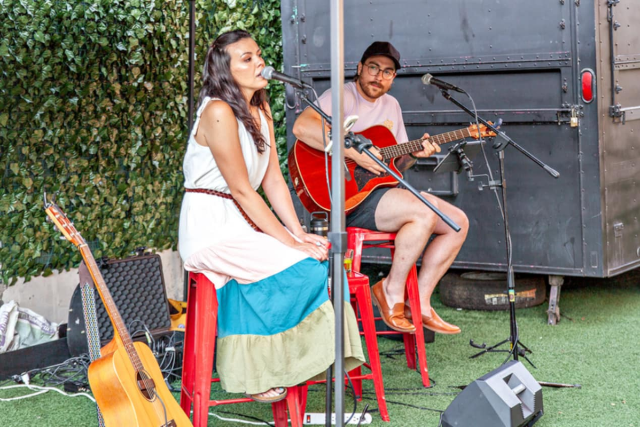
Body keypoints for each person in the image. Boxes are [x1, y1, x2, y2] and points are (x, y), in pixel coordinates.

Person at [178, 30, 364, 403]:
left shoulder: (261, 111)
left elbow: (273, 179)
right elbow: (243, 190)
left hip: (240, 225)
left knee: (321, 258)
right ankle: (264, 368)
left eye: (258, 54)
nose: (259, 62)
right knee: (306, 267)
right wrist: (290, 242)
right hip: (210, 229)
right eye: (246, 58)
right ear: (224, 70)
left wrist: (298, 233)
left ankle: (277, 365)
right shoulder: (217, 111)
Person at [292, 41, 469, 335]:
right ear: (360, 68)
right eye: (373, 68)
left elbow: (395, 166)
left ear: (393, 78)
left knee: (457, 223)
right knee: (423, 213)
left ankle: (420, 303)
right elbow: (302, 127)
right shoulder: (340, 96)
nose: (379, 76)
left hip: (380, 195)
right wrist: (355, 153)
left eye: (387, 72)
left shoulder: (392, 106)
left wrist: (413, 154)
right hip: (345, 197)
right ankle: (390, 289)